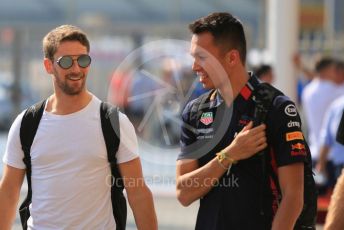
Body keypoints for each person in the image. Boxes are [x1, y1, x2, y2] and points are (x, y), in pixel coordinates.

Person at [0, 25, 157, 229]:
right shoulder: (26, 123)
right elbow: (9, 191)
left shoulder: (113, 122)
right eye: (66, 61)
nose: (76, 69)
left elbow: (138, 193)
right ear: (48, 66)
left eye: (82, 60)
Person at [176, 12, 314, 230]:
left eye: (202, 57)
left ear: (232, 58)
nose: (194, 67)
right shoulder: (195, 111)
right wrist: (229, 155)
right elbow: (183, 193)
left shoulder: (277, 108)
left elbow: (294, 197)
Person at [316, 95, 344, 185]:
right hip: (340, 167)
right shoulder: (337, 105)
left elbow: (326, 139)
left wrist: (321, 165)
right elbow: (326, 139)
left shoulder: (337, 105)